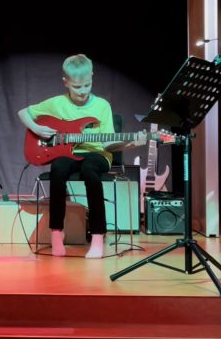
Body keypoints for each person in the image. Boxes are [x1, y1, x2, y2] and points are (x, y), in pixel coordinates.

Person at [18, 54, 143, 258]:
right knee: (58, 169)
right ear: (65, 82)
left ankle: (97, 236)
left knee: (89, 172)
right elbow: (23, 113)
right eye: (77, 87)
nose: (83, 91)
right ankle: (56, 232)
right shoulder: (57, 103)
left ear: (92, 77)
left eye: (87, 85)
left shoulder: (102, 105)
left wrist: (130, 143)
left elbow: (108, 143)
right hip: (69, 153)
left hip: (97, 153)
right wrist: (37, 129)